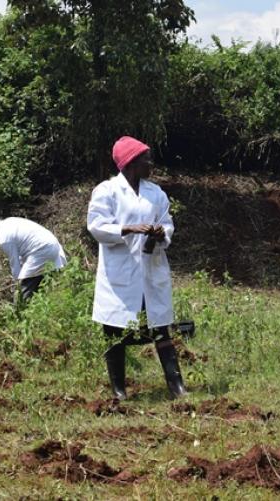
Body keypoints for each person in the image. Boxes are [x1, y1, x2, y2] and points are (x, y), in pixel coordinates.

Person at [87, 136, 187, 400]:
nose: (151, 163)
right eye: (146, 159)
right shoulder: (106, 191)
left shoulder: (155, 193)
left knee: (160, 326)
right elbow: (96, 226)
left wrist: (159, 234)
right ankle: (119, 390)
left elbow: (167, 224)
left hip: (151, 268)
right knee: (114, 330)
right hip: (120, 271)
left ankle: (176, 386)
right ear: (131, 163)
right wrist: (128, 229)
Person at [0, 217, 67, 302]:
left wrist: (16, 285)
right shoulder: (8, 222)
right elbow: (22, 253)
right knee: (43, 280)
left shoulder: (4, 238)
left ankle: (23, 310)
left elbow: (15, 265)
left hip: (41, 249)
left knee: (25, 287)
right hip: (51, 244)